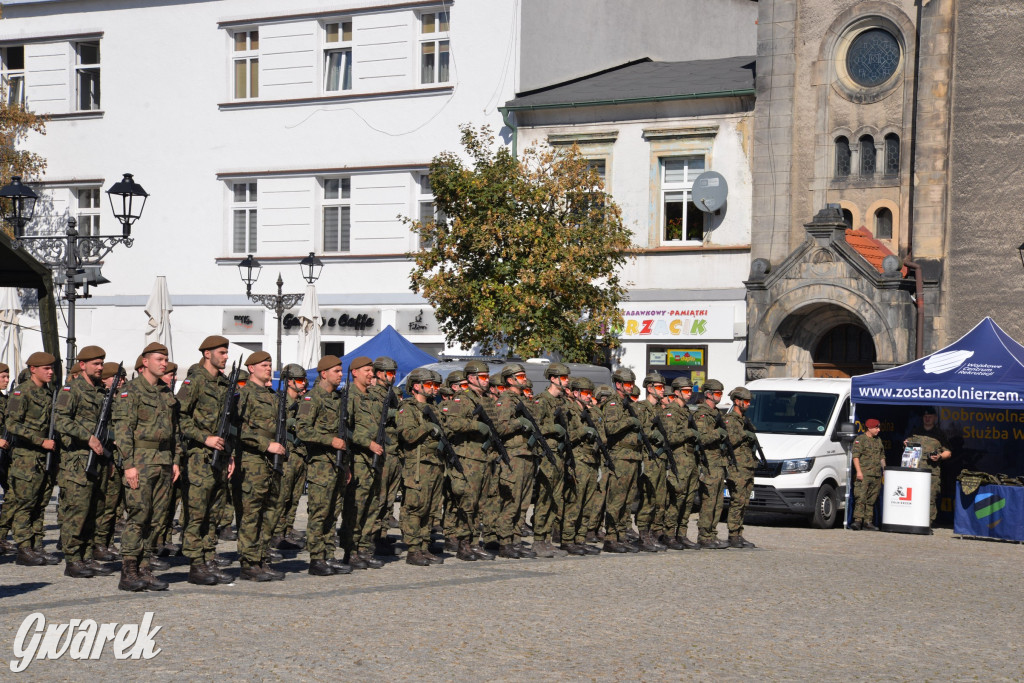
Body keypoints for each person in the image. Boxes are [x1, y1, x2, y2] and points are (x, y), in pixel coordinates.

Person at [113, 342, 178, 591]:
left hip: (163, 461)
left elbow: (176, 432)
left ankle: (145, 568)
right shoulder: (131, 391)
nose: (164, 363)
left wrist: (175, 461)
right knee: (139, 516)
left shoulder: (166, 392)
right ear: (145, 362)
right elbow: (123, 430)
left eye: (166, 359)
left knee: (158, 519)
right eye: (160, 359)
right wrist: (128, 465)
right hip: (140, 460)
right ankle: (128, 571)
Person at [177, 335, 236, 585]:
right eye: (221, 352)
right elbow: (179, 417)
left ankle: (209, 558)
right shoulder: (195, 381)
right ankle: (195, 565)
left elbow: (229, 423)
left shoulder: (224, 383)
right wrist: (205, 438)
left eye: (226, 352)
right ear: (207, 354)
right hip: (199, 458)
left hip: (220, 458)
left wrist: (230, 454)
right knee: (197, 513)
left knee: (214, 513)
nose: (225, 357)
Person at [54, 345, 114, 578]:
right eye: (96, 364)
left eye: (101, 363)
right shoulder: (71, 390)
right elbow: (61, 421)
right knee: (76, 512)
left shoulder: (101, 391)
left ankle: (87, 556)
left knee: (94, 511)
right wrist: (87, 436)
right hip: (77, 461)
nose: (100, 367)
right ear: (83, 365)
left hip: (98, 460)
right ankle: (73, 560)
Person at [295, 355, 352, 576]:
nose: (340, 374)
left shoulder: (339, 399)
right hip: (321, 465)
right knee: (319, 512)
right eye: (336, 371)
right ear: (323, 373)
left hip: (338, 464)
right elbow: (302, 430)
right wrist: (329, 440)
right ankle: (316, 558)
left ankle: (329, 555)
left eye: (341, 371)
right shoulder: (313, 398)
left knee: (332, 512)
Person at [5, 351, 59, 567]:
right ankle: (23, 548)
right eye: (46, 368)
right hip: (26, 458)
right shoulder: (22, 393)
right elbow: (12, 425)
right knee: (24, 505)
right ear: (33, 369)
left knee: (40, 504)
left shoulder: (48, 394)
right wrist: (39, 440)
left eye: (52, 368)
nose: (50, 372)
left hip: (44, 458)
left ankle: (36, 545)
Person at [396, 368, 446, 566]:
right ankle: (413, 549)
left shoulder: (434, 407)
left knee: (431, 509)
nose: (434, 388)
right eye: (430, 384)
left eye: (435, 385)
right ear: (417, 386)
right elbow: (407, 435)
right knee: (415, 507)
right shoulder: (407, 408)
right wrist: (427, 427)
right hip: (417, 465)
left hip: (435, 463)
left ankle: (424, 546)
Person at [341, 356, 385, 569]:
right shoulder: (349, 396)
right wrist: (367, 443)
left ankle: (365, 548)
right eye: (367, 370)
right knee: (356, 507)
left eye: (372, 370)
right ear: (355, 372)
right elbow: (345, 429)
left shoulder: (373, 397)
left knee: (372, 505)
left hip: (375, 460)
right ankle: (351, 550)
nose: (371, 374)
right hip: (359, 459)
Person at [600, 368, 643, 554]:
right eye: (627, 384)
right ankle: (610, 538)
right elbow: (610, 428)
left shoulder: (626, 404)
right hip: (619, 457)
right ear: (618, 384)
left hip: (632, 457)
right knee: (616, 499)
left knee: (627, 500)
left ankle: (621, 536)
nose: (630, 387)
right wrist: (629, 422)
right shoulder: (612, 403)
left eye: (632, 384)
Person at [267, 364, 309, 550]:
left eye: (303, 381)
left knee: (294, 497)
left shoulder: (302, 403)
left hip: (300, 455)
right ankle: (276, 533)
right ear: (289, 382)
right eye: (299, 381)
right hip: (286, 456)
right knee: (281, 497)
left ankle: (287, 530)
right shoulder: (278, 402)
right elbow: (271, 426)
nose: (303, 384)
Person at [660, 377, 699, 549]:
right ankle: (669, 534)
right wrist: (689, 433)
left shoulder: (687, 412)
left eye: (690, 391)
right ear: (676, 392)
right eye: (685, 391)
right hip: (678, 460)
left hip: (690, 460)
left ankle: (681, 534)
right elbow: (670, 438)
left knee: (689, 499)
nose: (689, 394)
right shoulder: (671, 411)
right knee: (677, 497)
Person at [634, 372, 669, 552]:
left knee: (657, 499)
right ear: (650, 388)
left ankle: (651, 533)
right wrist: (652, 433)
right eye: (660, 387)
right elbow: (639, 431)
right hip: (648, 458)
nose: (663, 390)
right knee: (647, 497)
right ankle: (642, 534)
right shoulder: (640, 408)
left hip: (660, 459)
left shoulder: (660, 410)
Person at [695, 379, 730, 549]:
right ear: (708, 394)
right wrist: (718, 433)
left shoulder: (716, 413)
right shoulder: (702, 414)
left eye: (721, 393)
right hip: (709, 462)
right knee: (709, 501)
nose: (719, 396)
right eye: (717, 393)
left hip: (719, 462)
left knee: (718, 501)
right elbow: (701, 438)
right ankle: (704, 535)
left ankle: (712, 533)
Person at [723, 386, 757, 548]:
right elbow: (730, 440)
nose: (748, 404)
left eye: (749, 401)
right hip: (737, 466)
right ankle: (733, 534)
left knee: (745, 502)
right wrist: (745, 434)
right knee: (737, 500)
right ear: (737, 401)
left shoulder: (744, 420)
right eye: (746, 401)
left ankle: (739, 533)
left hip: (747, 465)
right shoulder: (730, 419)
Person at [906, 407, 950, 527]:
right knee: (914, 496)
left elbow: (948, 452)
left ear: (935, 418)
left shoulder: (939, 434)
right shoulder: (916, 432)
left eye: (930, 417)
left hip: (932, 472)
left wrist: (939, 456)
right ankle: (913, 520)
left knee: (930, 497)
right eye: (925, 417)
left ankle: (928, 522)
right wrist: (906, 444)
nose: (927, 419)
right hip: (916, 470)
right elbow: (907, 444)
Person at [851, 418, 885, 531]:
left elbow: (881, 456)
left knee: (871, 499)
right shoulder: (860, 440)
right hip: (864, 474)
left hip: (876, 475)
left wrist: (884, 469)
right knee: (861, 497)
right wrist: (859, 472)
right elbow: (855, 456)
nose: (878, 430)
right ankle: (857, 520)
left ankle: (868, 522)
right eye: (876, 428)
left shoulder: (878, 440)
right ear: (869, 428)